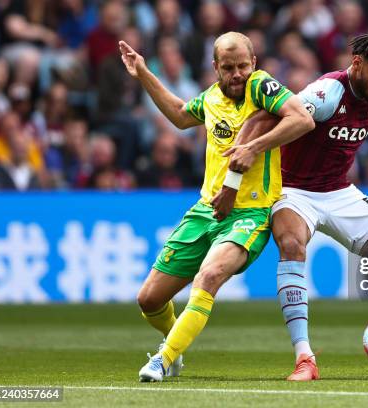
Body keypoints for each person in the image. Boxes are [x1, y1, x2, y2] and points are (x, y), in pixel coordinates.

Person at [220, 33, 368, 380]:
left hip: (339, 192)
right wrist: (248, 152)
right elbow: (266, 117)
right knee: (292, 245)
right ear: (357, 64)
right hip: (291, 190)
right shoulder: (327, 93)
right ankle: (304, 359)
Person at [119, 31, 314, 382]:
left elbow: (301, 119)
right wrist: (144, 74)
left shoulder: (262, 87)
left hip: (250, 214)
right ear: (215, 68)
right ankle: (173, 345)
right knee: (148, 300)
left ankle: (163, 360)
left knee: (208, 276)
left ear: (253, 64)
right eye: (228, 68)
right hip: (206, 210)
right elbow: (180, 115)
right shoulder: (210, 98)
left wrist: (254, 147)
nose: (237, 74)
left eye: (242, 66)